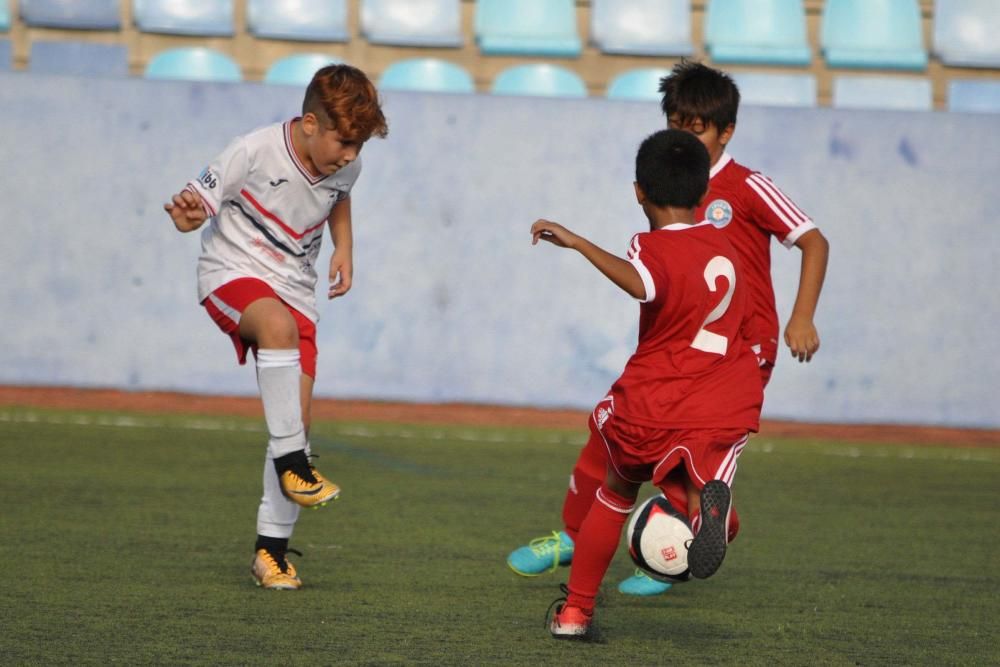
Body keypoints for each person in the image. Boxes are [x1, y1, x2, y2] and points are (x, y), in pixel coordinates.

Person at [507, 60, 829, 597]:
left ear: (726, 132)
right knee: (611, 435)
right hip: (675, 347)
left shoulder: (749, 187)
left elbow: (813, 240)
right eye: (677, 123)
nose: (686, 135)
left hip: (739, 349)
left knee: (677, 461)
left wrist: (802, 315)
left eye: (697, 127)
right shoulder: (673, 181)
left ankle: (668, 555)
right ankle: (575, 533)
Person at [164, 64, 388, 590]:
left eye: (360, 145)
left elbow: (340, 195)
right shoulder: (252, 150)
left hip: (296, 289)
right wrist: (186, 215)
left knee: (298, 422)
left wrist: (345, 248)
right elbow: (195, 204)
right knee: (277, 330)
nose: (352, 154)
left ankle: (271, 554)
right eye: (345, 141)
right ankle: (294, 462)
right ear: (310, 123)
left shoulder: (346, 164)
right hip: (232, 272)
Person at [533, 129, 763, 638]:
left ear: (639, 191)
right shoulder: (727, 250)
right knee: (694, 484)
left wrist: (577, 242)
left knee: (615, 495)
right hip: (716, 401)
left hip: (652, 400)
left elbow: (644, 283)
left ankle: (575, 613)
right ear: (704, 192)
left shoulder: (650, 246)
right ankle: (713, 518)